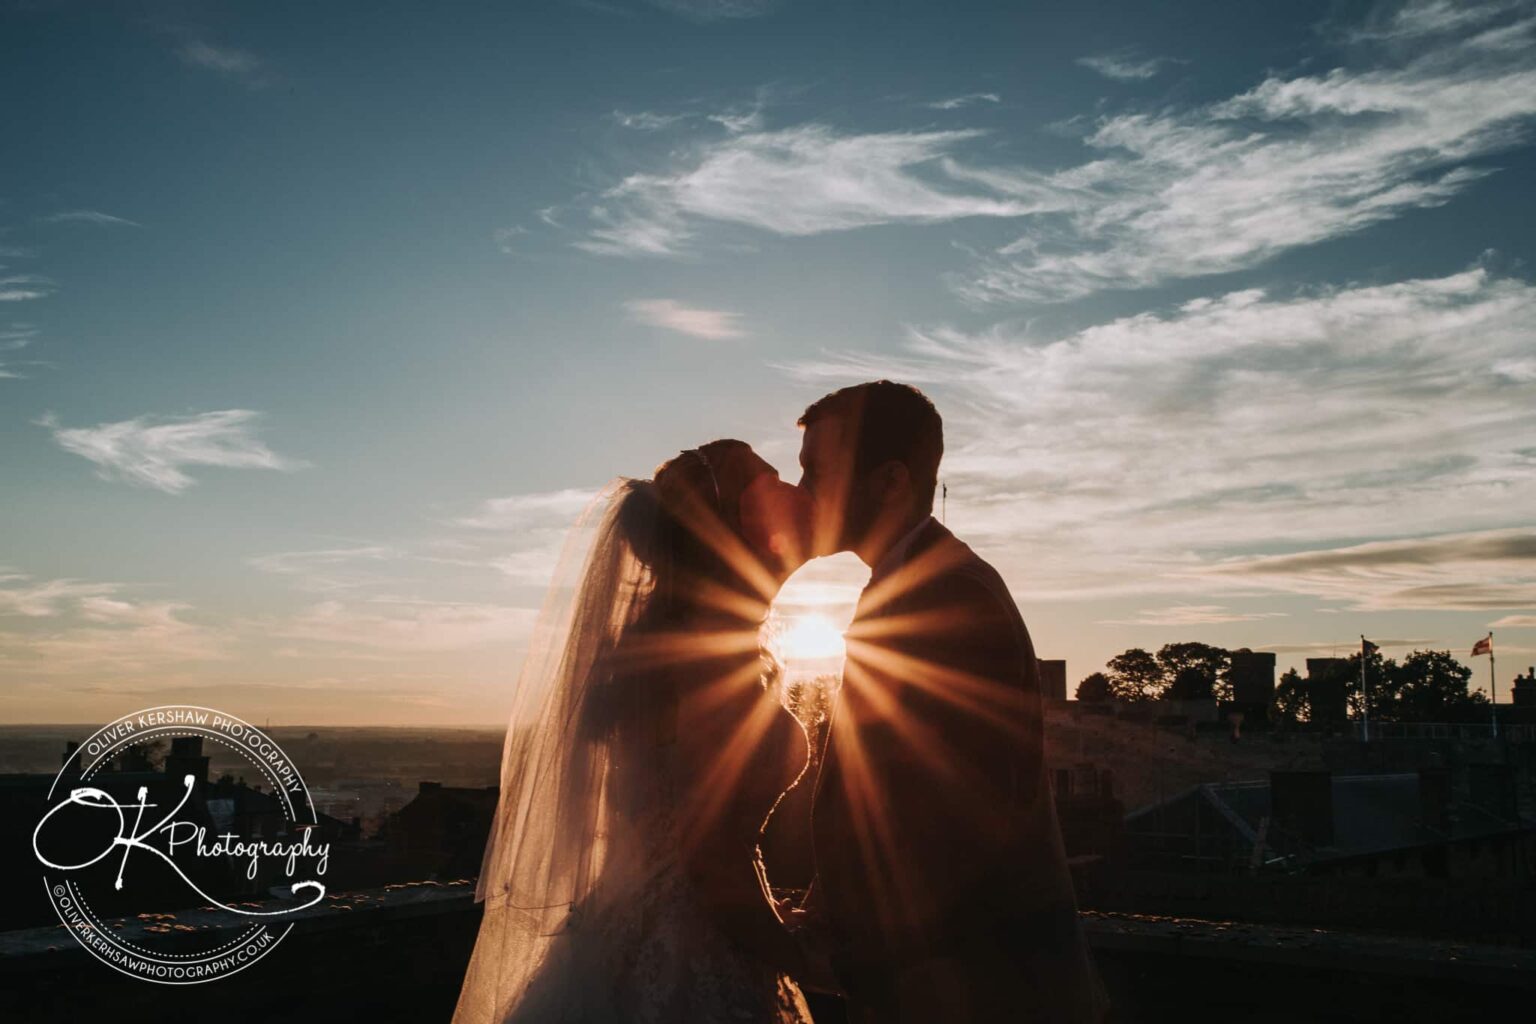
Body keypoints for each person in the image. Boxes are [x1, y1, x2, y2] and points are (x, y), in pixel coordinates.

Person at [453, 440, 818, 1024]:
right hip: (689, 958)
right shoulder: (706, 660)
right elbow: (711, 860)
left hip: (642, 934)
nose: (794, 490)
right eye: (769, 481)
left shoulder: (691, 645)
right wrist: (816, 965)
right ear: (729, 533)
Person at [796, 381, 1109, 1023]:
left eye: (816, 473)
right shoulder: (912, 584)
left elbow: (959, 823)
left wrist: (851, 956)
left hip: (980, 991)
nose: (801, 492)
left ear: (891, 482)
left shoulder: (951, 597)